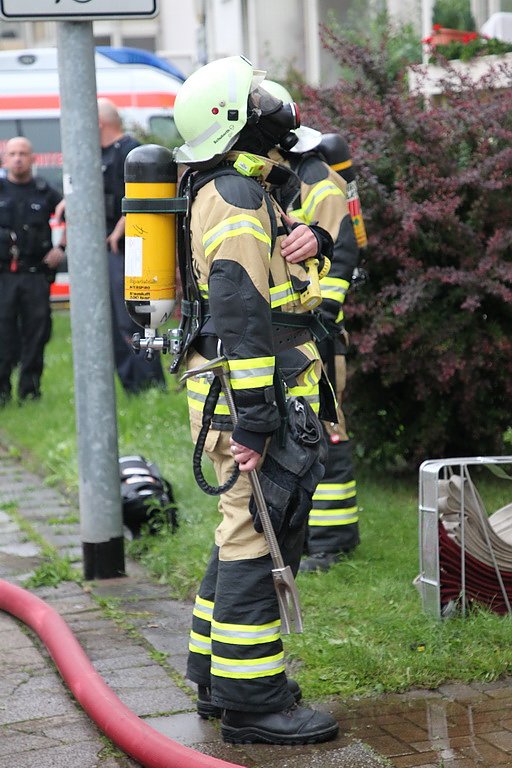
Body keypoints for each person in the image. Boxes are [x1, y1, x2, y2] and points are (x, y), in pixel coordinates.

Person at [172, 55, 339, 745]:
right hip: (247, 394)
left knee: (236, 527)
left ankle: (217, 677)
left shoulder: (243, 190)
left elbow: (270, 286)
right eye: (259, 97)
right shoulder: (239, 200)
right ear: (234, 120)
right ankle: (253, 704)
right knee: (253, 539)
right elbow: (241, 316)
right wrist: (257, 423)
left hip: (238, 390)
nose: (276, 104)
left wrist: (317, 241)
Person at [263, 80, 362, 573]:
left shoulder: (320, 183)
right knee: (310, 428)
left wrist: (322, 321)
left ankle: (335, 538)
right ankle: (315, 534)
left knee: (329, 428)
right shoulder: (287, 182)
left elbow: (341, 256)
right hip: (297, 328)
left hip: (320, 330)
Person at [0, 136, 64, 405]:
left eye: (23, 153)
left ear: (33, 158)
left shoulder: (45, 191)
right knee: (3, 335)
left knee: (36, 334)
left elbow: (77, 214)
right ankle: (2, 392)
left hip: (35, 275)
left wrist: (61, 248)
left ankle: (30, 391)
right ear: (5, 159)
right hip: (3, 276)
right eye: (12, 153)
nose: (18, 158)